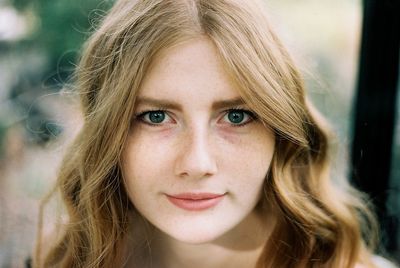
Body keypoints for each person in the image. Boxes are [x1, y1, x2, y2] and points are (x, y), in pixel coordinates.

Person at [34, 0, 385, 267]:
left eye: (236, 116)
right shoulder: (65, 258)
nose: (197, 163)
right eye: (156, 116)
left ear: (280, 132)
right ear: (108, 131)